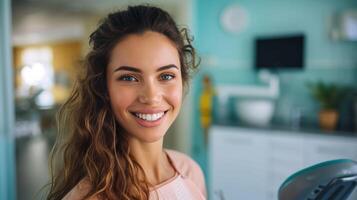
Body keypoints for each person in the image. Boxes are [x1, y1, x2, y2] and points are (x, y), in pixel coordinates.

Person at [46, 5, 206, 200]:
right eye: (129, 78)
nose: (151, 96)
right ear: (103, 88)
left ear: (183, 81)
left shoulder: (190, 171)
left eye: (166, 75)